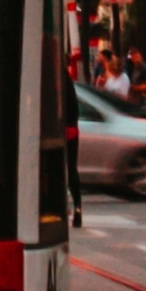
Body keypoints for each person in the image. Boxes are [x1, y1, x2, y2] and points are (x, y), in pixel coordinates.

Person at [64, 64, 82, 228]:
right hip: (71, 128)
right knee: (71, 169)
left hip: (58, 128)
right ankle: (77, 207)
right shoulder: (67, 80)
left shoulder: (54, 77)